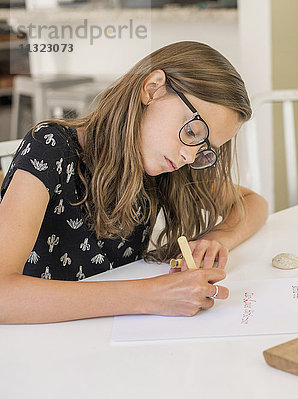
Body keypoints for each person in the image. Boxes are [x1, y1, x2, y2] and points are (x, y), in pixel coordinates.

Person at [0, 41, 268, 324]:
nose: (190, 156)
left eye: (204, 149)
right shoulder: (50, 147)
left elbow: (253, 203)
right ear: (152, 88)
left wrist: (213, 240)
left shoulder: (167, 163)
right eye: (192, 131)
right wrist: (150, 295)